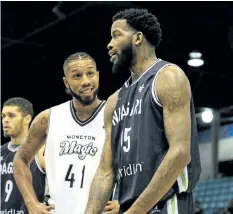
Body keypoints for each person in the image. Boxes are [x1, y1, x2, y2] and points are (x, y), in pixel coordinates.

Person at [85, 8, 201, 214]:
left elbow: (180, 153)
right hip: (131, 207)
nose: (109, 44)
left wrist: (134, 212)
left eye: (116, 35)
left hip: (167, 205)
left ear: (138, 38)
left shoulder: (168, 77)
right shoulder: (113, 102)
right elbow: (105, 171)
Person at [13, 52, 119, 214]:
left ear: (98, 75)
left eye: (90, 74)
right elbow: (20, 159)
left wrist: (124, 201)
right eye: (77, 76)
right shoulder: (48, 118)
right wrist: (31, 203)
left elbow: (138, 162)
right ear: (66, 82)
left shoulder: (115, 114)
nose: (86, 81)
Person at [1, 97, 46, 214]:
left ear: (27, 119)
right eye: (3, 116)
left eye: (11, 115)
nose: (5, 120)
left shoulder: (41, 151)